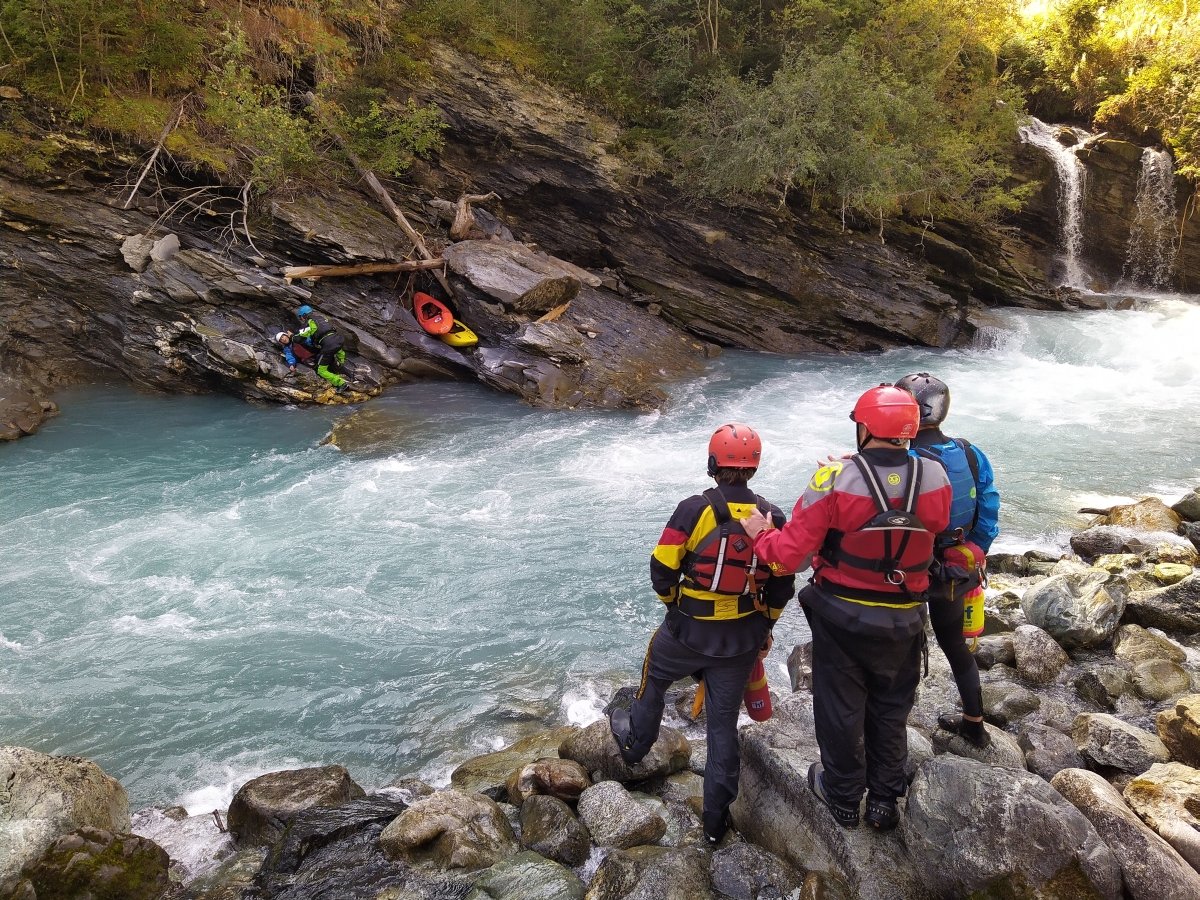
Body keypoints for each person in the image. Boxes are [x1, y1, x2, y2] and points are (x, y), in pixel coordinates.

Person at [740, 386, 951, 832]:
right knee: (891, 709)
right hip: (906, 616)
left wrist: (760, 531)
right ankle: (884, 801)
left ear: (865, 428)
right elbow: (923, 516)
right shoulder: (935, 474)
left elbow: (789, 557)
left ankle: (842, 797)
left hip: (843, 617)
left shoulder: (832, 478)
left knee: (840, 710)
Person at [610, 423, 796, 845]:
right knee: (722, 727)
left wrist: (674, 605)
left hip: (687, 631)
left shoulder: (693, 509)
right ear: (754, 467)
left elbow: (661, 568)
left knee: (654, 677)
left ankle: (636, 746)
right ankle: (715, 823)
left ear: (713, 463)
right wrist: (765, 626)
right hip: (741, 640)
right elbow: (782, 582)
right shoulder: (772, 517)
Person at [896, 373, 1000, 750]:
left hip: (911, 570)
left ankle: (894, 729)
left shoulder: (900, 460)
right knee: (954, 645)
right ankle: (975, 725)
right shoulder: (970, 453)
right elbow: (989, 506)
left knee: (903, 648)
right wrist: (974, 549)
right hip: (956, 569)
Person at [294, 305, 350, 391]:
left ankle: (341, 384)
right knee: (339, 352)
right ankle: (340, 365)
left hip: (328, 344)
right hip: (338, 339)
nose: (301, 319)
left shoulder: (309, 322)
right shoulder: (322, 318)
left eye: (301, 317)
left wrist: (292, 337)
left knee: (321, 370)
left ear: (304, 315)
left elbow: (299, 337)